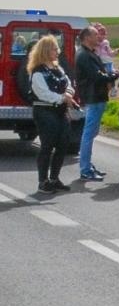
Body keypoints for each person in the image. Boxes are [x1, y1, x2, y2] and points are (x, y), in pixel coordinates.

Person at [27, 35, 77, 193]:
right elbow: (43, 94)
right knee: (47, 146)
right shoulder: (37, 72)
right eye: (54, 49)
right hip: (45, 111)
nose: (57, 51)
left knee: (63, 145)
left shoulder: (58, 68)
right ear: (46, 50)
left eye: (57, 48)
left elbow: (69, 83)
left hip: (60, 111)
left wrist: (68, 94)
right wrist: (63, 98)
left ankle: (54, 178)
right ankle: (43, 181)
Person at [73, 26, 116, 182]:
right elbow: (97, 76)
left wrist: (109, 75)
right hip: (93, 98)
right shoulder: (84, 55)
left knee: (91, 133)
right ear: (86, 37)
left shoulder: (89, 53)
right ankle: (85, 169)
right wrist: (114, 75)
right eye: (95, 34)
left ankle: (88, 165)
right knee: (88, 135)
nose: (99, 37)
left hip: (97, 97)